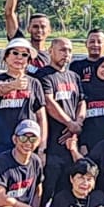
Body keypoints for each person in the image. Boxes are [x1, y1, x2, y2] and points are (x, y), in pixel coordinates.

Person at [37, 37, 86, 197]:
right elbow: (49, 102)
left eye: (69, 50)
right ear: (51, 51)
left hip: (71, 145)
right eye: (62, 50)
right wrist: (69, 123)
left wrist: (78, 123)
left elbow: (81, 101)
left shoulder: (74, 76)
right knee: (47, 192)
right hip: (52, 145)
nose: (66, 54)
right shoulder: (44, 75)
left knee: (66, 192)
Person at [0, 38, 47, 168]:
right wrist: (13, 85)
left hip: (28, 141)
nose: (19, 58)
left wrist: (42, 146)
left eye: (24, 55)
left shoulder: (34, 83)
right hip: (4, 140)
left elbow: (41, 116)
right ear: (6, 57)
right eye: (15, 53)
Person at [2, 0, 50, 69]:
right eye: (35, 26)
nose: (39, 30)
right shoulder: (21, 46)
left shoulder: (52, 56)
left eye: (43, 27)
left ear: (49, 30)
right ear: (29, 29)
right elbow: (9, 13)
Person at [75, 55, 104, 156]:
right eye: (103, 67)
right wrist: (82, 143)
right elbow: (81, 116)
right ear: (96, 68)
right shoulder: (85, 87)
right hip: (87, 142)